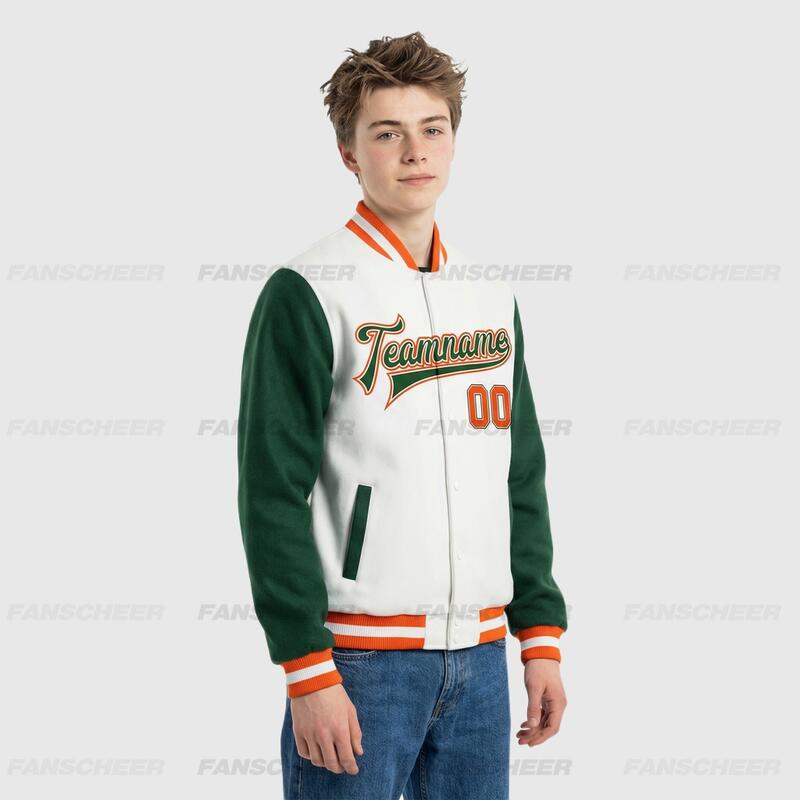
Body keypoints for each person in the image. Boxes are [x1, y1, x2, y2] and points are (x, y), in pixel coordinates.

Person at [237, 31, 568, 800]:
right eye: (387, 133)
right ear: (349, 154)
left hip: (482, 658)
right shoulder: (309, 289)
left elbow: (520, 475)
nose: (415, 151)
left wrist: (539, 637)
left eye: (432, 129)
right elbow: (270, 489)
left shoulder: (490, 296)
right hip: (357, 665)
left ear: (453, 140)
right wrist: (305, 667)